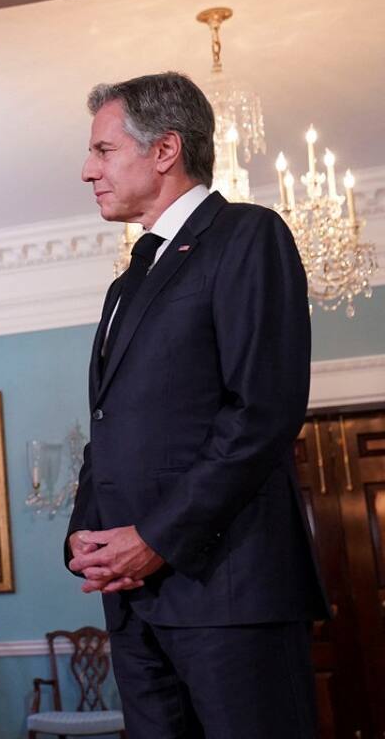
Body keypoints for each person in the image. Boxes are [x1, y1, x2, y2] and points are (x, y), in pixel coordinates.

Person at [66, 72, 328, 738]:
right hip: (135, 604)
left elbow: (260, 413)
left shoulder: (248, 236)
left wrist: (156, 539)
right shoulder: (128, 281)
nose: (86, 170)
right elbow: (108, 428)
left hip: (230, 593)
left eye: (103, 150)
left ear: (164, 150)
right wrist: (86, 533)